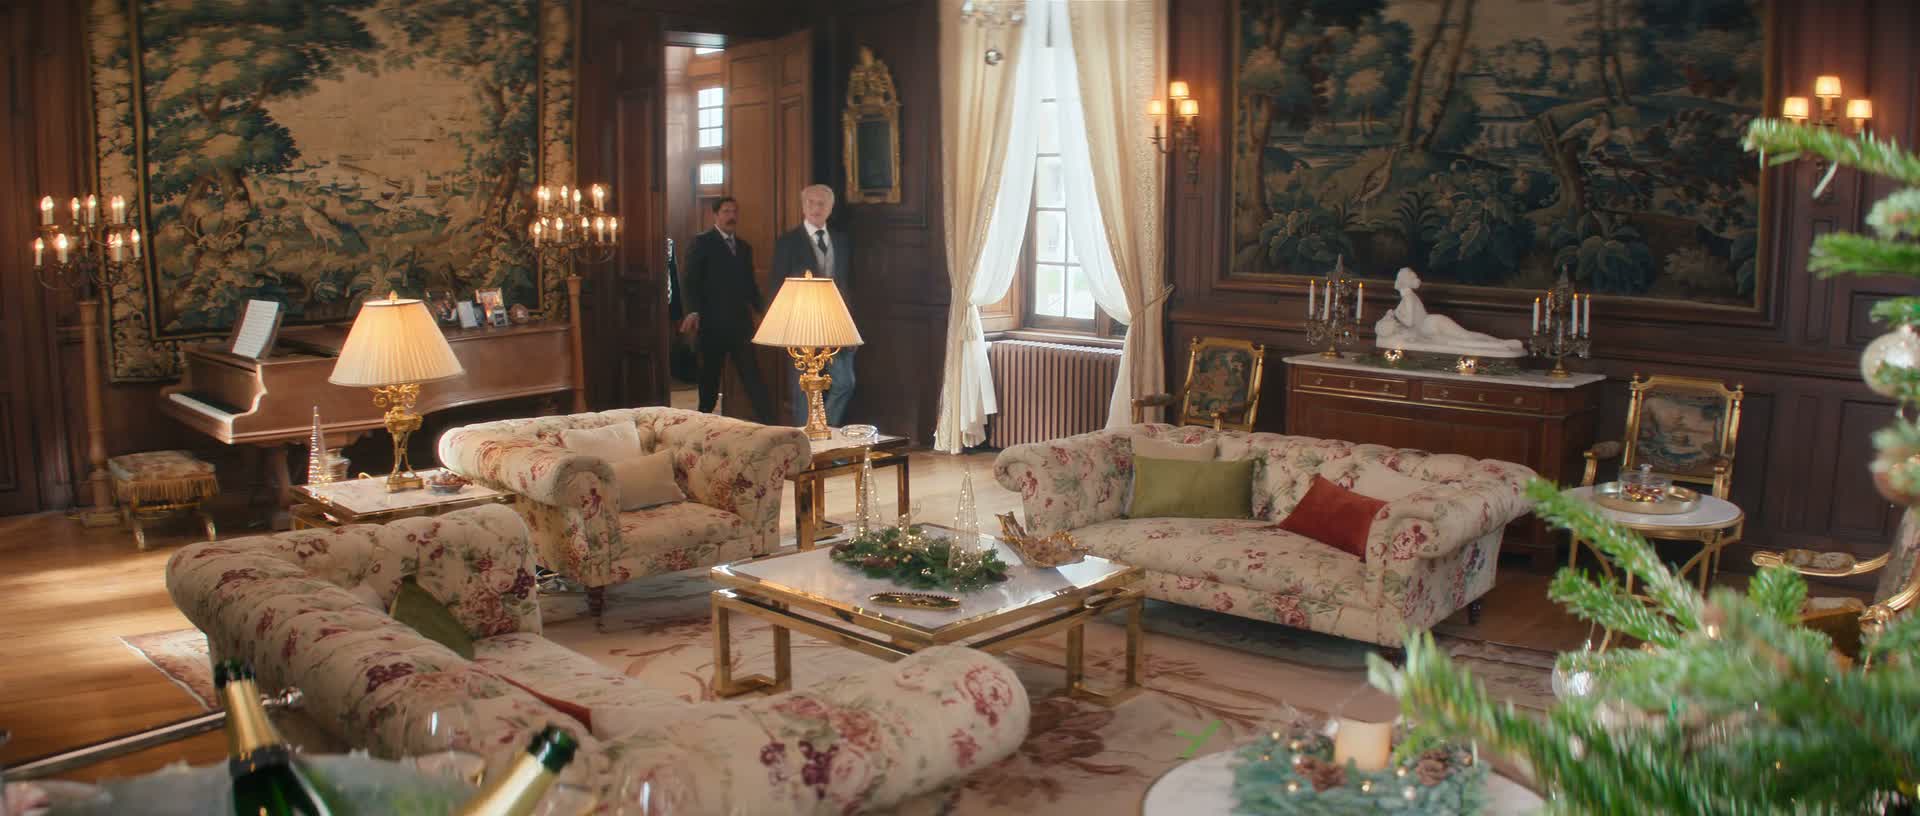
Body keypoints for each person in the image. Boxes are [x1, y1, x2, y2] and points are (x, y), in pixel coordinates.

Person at [680, 197, 774, 422]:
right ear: (716, 215)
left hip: (740, 325)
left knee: (752, 378)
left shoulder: (744, 248)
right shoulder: (702, 242)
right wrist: (692, 311)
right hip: (711, 326)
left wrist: (764, 311)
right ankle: (702, 425)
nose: (731, 216)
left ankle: (770, 424)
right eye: (726, 211)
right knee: (709, 382)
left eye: (734, 211)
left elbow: (749, 285)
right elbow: (690, 281)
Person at [771, 184, 856, 426]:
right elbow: (777, 285)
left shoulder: (841, 241)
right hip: (802, 323)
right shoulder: (788, 242)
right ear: (803, 206)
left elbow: (847, 284)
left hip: (835, 323)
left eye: (821, 204)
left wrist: (850, 323)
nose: (816, 208)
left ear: (830, 208)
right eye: (811, 203)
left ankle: (823, 430)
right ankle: (805, 440)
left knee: (845, 383)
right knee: (803, 389)